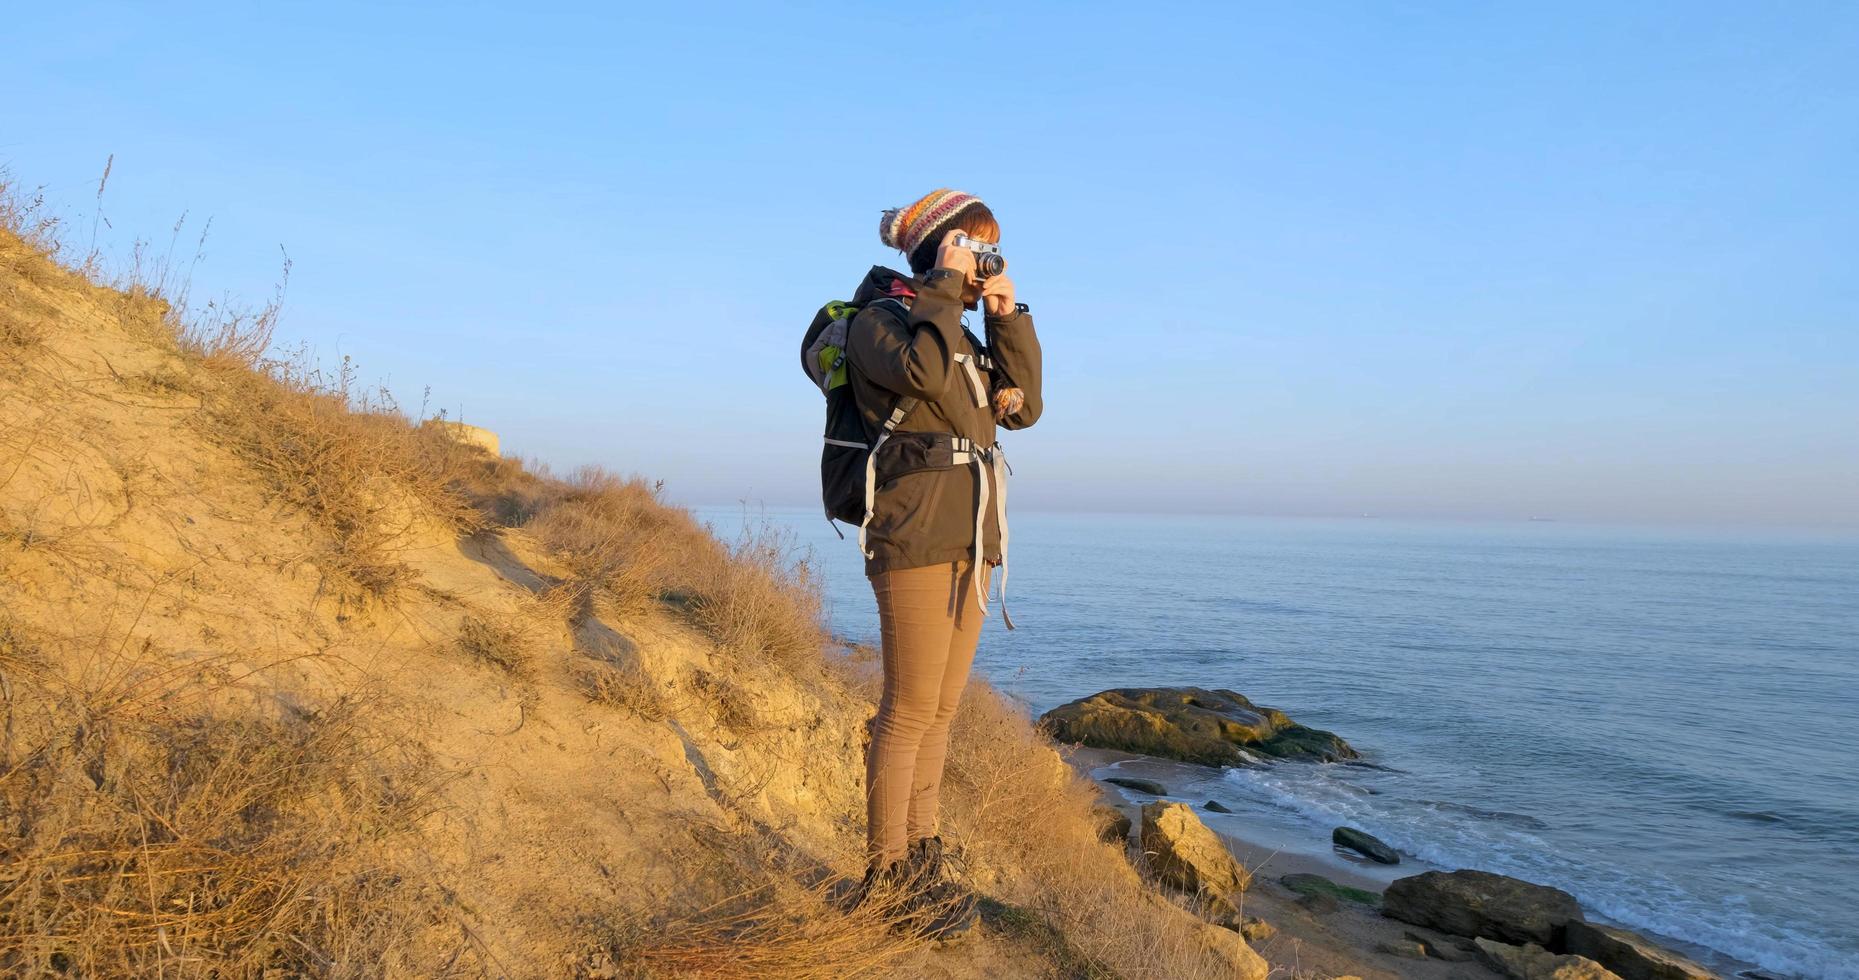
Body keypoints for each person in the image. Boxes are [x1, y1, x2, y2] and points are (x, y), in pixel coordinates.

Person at [840, 189, 1043, 930]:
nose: (980, 257)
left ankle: (920, 855)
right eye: (970, 244)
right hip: (916, 533)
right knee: (907, 711)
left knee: (942, 713)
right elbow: (920, 377)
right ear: (935, 247)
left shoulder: (957, 333)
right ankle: (884, 879)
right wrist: (942, 294)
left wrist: (1005, 318)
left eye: (985, 248)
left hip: (972, 540)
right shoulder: (881, 322)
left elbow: (1027, 409)